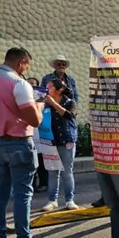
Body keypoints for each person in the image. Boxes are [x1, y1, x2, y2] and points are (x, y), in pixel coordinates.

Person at [0, 47, 51, 238]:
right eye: (27, 65)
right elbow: (35, 120)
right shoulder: (19, 84)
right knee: (22, 195)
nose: (26, 70)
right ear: (21, 62)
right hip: (19, 143)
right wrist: (39, 105)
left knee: (1, 193)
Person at [40, 78, 79, 211]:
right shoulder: (45, 104)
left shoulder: (70, 102)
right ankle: (52, 200)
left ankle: (70, 200)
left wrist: (53, 104)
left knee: (67, 172)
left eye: (49, 87)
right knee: (52, 172)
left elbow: (69, 115)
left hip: (66, 141)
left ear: (59, 90)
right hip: (50, 141)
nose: (47, 89)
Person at [27, 77, 48, 193]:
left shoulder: (41, 97)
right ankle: (32, 184)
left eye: (34, 84)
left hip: (40, 131)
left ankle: (44, 182)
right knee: (31, 161)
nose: (31, 86)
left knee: (41, 160)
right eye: (29, 84)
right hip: (29, 133)